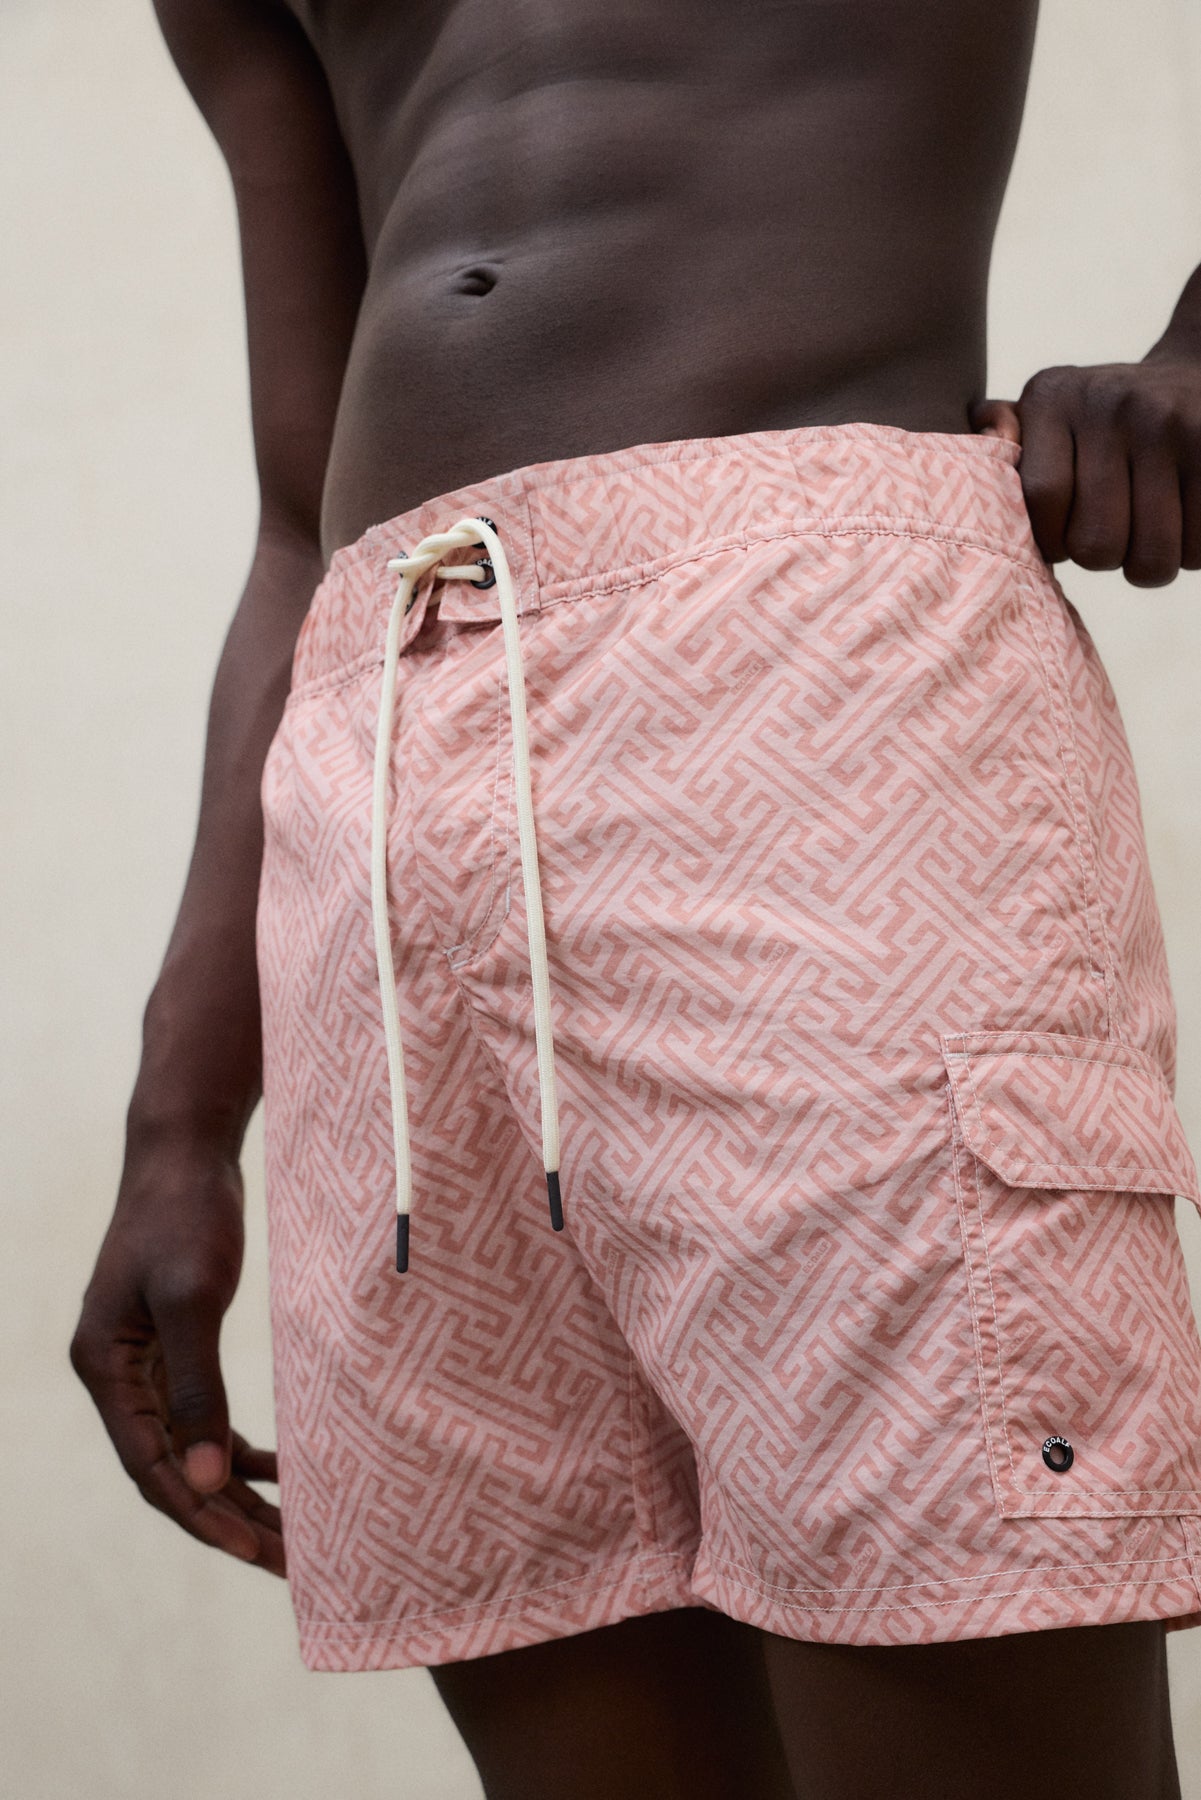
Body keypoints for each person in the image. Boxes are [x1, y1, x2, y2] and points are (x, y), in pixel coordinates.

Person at [70, 1, 1201, 1794]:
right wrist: (180, 1123)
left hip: (812, 685)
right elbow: (297, 517)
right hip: (377, 739)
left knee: (963, 1636)